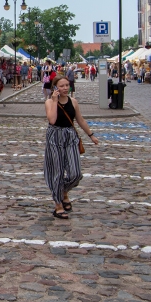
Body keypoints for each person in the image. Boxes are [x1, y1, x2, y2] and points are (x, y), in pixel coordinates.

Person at [44, 75, 99, 219]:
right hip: (54, 137)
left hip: (70, 137)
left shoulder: (73, 101)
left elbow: (80, 120)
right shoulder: (49, 102)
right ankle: (58, 205)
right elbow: (52, 120)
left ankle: (63, 192)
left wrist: (91, 135)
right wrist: (55, 101)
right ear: (55, 88)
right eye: (61, 86)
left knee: (76, 173)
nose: (65, 88)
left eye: (67, 85)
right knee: (57, 172)